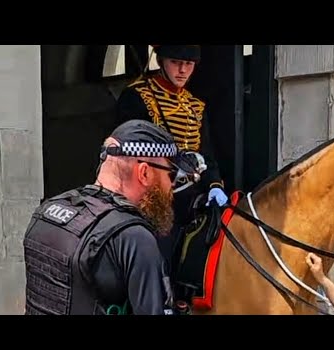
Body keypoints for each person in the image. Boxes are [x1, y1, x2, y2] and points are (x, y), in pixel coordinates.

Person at [22, 119, 206, 315]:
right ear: (144, 173)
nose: (171, 188)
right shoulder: (134, 239)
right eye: (170, 175)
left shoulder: (46, 212)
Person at [115, 44, 228, 271]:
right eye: (176, 62)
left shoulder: (195, 106)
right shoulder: (138, 97)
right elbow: (128, 151)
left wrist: (214, 185)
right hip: (155, 194)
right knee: (160, 250)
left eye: (188, 64)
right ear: (161, 60)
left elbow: (208, 155)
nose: (182, 70)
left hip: (193, 194)